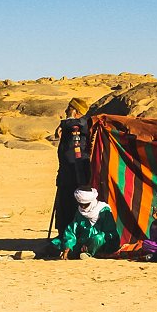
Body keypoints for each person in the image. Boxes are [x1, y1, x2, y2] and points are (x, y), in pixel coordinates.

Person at [51, 97, 92, 236]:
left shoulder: (82, 123)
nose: (66, 110)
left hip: (77, 174)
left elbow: (79, 123)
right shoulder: (70, 126)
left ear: (76, 110)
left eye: (69, 108)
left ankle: (74, 237)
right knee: (63, 207)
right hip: (65, 175)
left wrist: (64, 123)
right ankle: (63, 235)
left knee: (75, 206)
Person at [47, 187, 120, 259]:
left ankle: (88, 253)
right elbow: (71, 230)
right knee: (58, 242)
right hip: (83, 241)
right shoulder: (80, 211)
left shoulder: (104, 210)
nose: (83, 206)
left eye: (86, 204)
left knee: (98, 238)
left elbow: (110, 232)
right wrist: (68, 246)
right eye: (81, 204)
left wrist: (90, 243)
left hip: (101, 242)